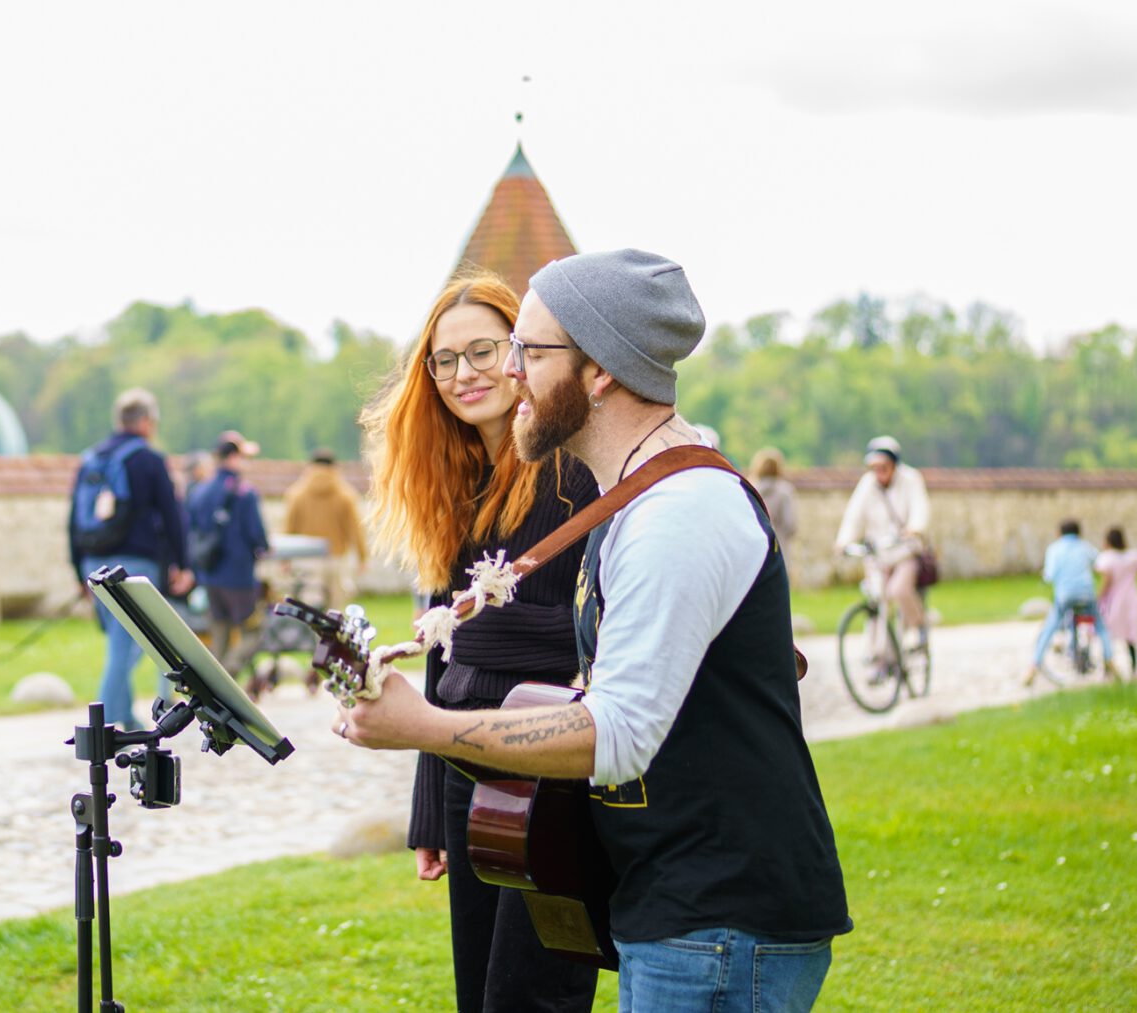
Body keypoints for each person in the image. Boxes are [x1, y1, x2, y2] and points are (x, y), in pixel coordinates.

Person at [341, 250, 851, 1011]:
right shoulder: (641, 498)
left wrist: (429, 724)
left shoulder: (676, 513)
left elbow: (616, 731)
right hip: (678, 903)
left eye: (526, 350)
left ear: (602, 370)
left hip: (720, 919)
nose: (507, 372)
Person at [359, 268, 601, 1013]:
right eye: (444, 360)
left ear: (523, 351)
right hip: (465, 767)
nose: (463, 375)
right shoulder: (455, 486)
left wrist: (485, 634)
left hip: (547, 769)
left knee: (530, 997)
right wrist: (430, 808)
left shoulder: (574, 474)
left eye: (483, 351)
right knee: (478, 994)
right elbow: (442, 662)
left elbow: (599, 633)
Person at [68, 389, 194, 730]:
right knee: (126, 648)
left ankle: (124, 716)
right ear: (145, 421)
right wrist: (183, 564)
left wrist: (77, 568)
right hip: (134, 565)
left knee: (120, 643)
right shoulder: (148, 460)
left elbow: (73, 518)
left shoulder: (91, 458)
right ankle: (103, 726)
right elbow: (172, 515)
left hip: (93, 561)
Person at [833, 435, 931, 657]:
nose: (879, 471)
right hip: (878, 554)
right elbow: (853, 516)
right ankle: (880, 654)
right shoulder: (867, 484)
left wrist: (915, 528)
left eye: (884, 466)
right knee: (877, 599)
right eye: (875, 467)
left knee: (898, 590)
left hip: (904, 551)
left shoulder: (911, 479)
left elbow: (920, 508)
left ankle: (917, 629)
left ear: (894, 464)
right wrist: (843, 541)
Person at [186, 433, 270, 677]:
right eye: (244, 457)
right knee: (254, 631)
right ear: (233, 457)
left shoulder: (200, 491)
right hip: (239, 574)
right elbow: (257, 535)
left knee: (219, 633)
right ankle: (229, 673)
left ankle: (214, 686)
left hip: (210, 575)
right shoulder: (245, 493)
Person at [1024, 519, 1119, 684]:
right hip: (1086, 593)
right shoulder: (1085, 546)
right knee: (1101, 627)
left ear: (1059, 533)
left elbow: (1049, 575)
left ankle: (1034, 665)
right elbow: (1100, 564)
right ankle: (1109, 658)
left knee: (1050, 627)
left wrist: (1045, 577)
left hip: (1065, 595)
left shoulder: (1054, 549)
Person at [282, 448, 367, 609]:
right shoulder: (346, 495)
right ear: (335, 467)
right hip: (336, 558)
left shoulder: (297, 494)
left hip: (306, 559)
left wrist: (285, 559)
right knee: (334, 611)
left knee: (309, 608)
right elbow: (355, 529)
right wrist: (362, 557)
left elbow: (289, 527)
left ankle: (310, 635)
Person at [1096, 527, 1137, 678]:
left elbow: (1106, 582)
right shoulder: (1134, 556)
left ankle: (1108, 669)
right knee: (1130, 635)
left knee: (1108, 634)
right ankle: (1135, 669)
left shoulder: (1107, 558)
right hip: (1131, 600)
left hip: (1113, 602)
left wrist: (1097, 598)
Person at [749, 446, 799, 548]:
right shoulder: (785, 491)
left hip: (756, 546)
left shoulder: (750, 490)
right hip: (779, 545)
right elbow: (790, 525)